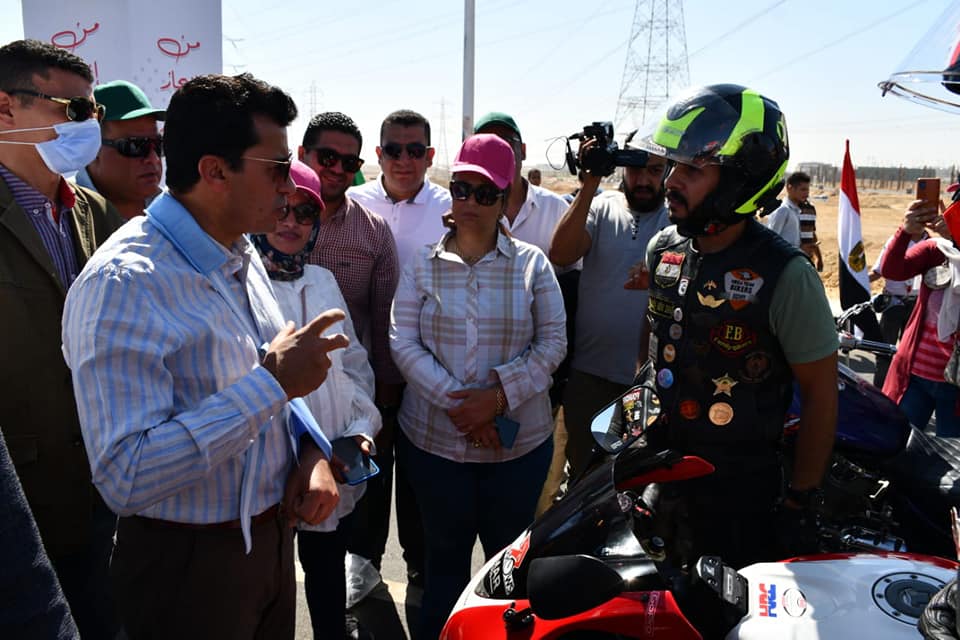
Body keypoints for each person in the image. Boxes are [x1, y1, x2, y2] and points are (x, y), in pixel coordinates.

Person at [62, 73, 346, 640]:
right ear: (215, 170)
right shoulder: (125, 282)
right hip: (186, 570)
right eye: (277, 168)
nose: (290, 186)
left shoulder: (239, 248)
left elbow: (269, 377)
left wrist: (310, 451)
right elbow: (125, 475)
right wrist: (271, 385)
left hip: (268, 543)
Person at [633, 84, 838, 572]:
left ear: (739, 180)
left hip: (739, 495)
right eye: (673, 165)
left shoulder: (787, 276)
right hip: (658, 473)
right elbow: (652, 340)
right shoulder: (663, 249)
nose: (670, 181)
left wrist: (801, 500)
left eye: (692, 169)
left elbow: (820, 396)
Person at [391, 133, 566, 639]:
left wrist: (497, 399)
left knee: (506, 569)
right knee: (443, 561)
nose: (469, 201)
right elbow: (403, 341)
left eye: (484, 193)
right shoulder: (421, 264)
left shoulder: (533, 265)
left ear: (505, 198)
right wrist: (464, 408)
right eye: (461, 189)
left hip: (516, 453)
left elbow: (553, 343)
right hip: (435, 447)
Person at [0, 39, 123, 639]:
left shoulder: (95, 213)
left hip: (101, 492)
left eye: (93, 111)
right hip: (20, 505)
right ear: (5, 109)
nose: (88, 125)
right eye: (72, 110)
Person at [251, 159, 380, 640]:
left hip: (337, 465)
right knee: (269, 589)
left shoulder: (322, 279)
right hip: (272, 474)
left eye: (305, 213)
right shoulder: (241, 283)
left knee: (327, 574)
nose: (291, 222)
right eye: (282, 208)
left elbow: (354, 364)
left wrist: (361, 430)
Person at [347, 108, 450, 587]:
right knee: (369, 464)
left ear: (429, 155)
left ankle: (420, 566)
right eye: (393, 149)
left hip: (430, 366)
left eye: (414, 150)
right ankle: (363, 564)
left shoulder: (451, 208)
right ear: (378, 153)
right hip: (365, 364)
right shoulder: (354, 203)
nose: (403, 160)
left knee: (420, 473)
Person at [548, 132, 670, 480]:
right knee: (583, 474)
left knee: (632, 478)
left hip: (648, 384)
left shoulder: (677, 219)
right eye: (635, 169)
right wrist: (589, 183)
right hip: (590, 377)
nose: (643, 180)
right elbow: (561, 254)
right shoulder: (601, 207)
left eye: (654, 170)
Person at [474, 111, 579, 405]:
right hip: (477, 364)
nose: (499, 150)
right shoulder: (463, 209)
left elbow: (572, 282)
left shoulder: (556, 209)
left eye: (507, 142)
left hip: (542, 366)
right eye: (488, 142)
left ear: (523, 150)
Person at [879, 204, 960, 437]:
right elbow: (892, 270)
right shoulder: (936, 250)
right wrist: (905, 232)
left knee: (951, 456)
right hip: (915, 378)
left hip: (955, 387)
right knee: (896, 443)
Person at [76, 80, 164, 219]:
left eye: (158, 144)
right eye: (135, 146)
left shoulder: (177, 209)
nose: (153, 159)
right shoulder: (63, 215)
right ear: (92, 148)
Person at [870, 226, 926, 388]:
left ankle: (904, 390)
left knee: (911, 353)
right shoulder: (895, 242)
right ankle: (879, 392)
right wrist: (856, 283)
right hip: (893, 303)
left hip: (917, 305)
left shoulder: (933, 245)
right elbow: (879, 270)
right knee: (884, 350)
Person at [764, 170, 808, 247]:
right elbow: (770, 241)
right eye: (803, 189)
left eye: (807, 189)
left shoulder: (795, 210)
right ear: (789, 188)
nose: (807, 193)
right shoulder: (783, 210)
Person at [798, 198, 823, 271]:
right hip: (792, 259)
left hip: (808, 259)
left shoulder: (810, 209)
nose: (806, 193)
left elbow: (812, 233)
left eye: (807, 191)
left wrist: (819, 257)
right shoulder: (786, 209)